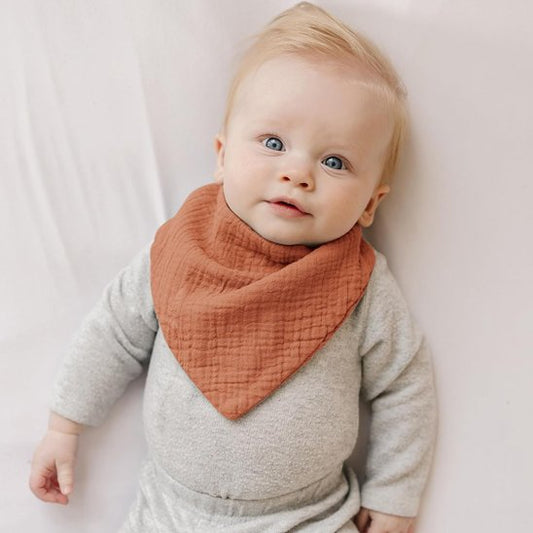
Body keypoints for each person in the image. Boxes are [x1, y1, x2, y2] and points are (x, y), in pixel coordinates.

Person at [29, 3, 437, 532]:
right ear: (222, 156)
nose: (298, 172)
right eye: (274, 143)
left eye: (334, 162)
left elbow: (404, 383)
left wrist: (395, 492)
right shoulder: (179, 250)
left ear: (370, 204)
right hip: (171, 512)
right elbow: (113, 333)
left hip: (307, 516)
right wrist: (64, 426)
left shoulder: (360, 283)